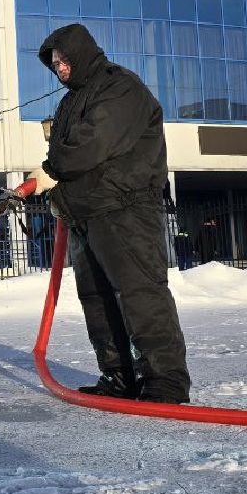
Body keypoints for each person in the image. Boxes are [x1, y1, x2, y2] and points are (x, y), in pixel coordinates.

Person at [30, 23, 192, 404]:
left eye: (64, 59)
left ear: (81, 53)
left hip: (125, 209)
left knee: (139, 292)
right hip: (87, 213)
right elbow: (67, 153)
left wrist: (52, 170)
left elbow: (90, 144)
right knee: (97, 298)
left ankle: (165, 382)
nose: (60, 68)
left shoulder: (120, 87)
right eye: (54, 63)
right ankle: (119, 376)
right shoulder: (71, 101)